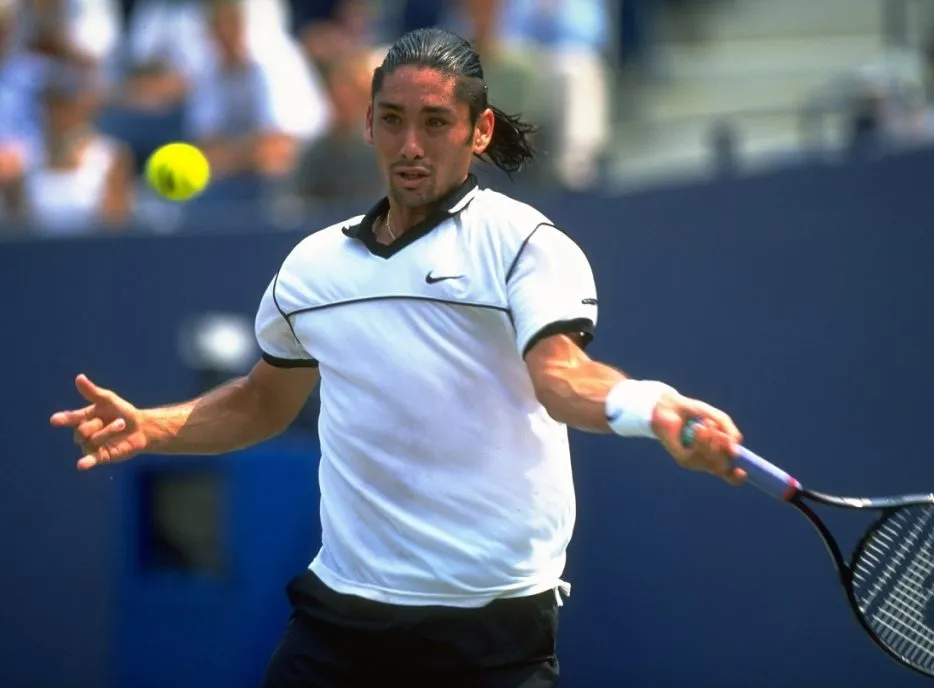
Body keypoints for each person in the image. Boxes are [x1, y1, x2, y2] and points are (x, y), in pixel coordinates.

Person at [50, 27, 746, 687]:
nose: (410, 144)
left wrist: (649, 407)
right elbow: (263, 402)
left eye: (436, 122)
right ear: (369, 126)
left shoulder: (527, 247)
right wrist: (154, 426)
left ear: (480, 132)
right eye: (392, 119)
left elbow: (563, 379)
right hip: (340, 623)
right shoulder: (313, 270)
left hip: (494, 635)